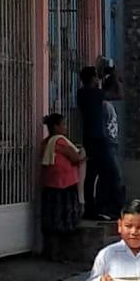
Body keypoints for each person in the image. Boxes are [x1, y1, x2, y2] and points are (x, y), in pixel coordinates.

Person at [40, 112, 86, 262]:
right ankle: (60, 255)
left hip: (50, 185)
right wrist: (84, 155)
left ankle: (51, 253)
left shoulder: (46, 142)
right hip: (65, 185)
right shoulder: (60, 142)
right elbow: (76, 158)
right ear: (56, 126)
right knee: (64, 221)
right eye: (63, 124)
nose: (65, 127)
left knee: (51, 220)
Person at [78, 66, 121, 221]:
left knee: (92, 174)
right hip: (99, 140)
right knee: (110, 174)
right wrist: (114, 76)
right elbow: (117, 94)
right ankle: (108, 208)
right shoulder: (93, 93)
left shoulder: (82, 93)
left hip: (89, 138)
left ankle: (91, 209)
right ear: (93, 78)